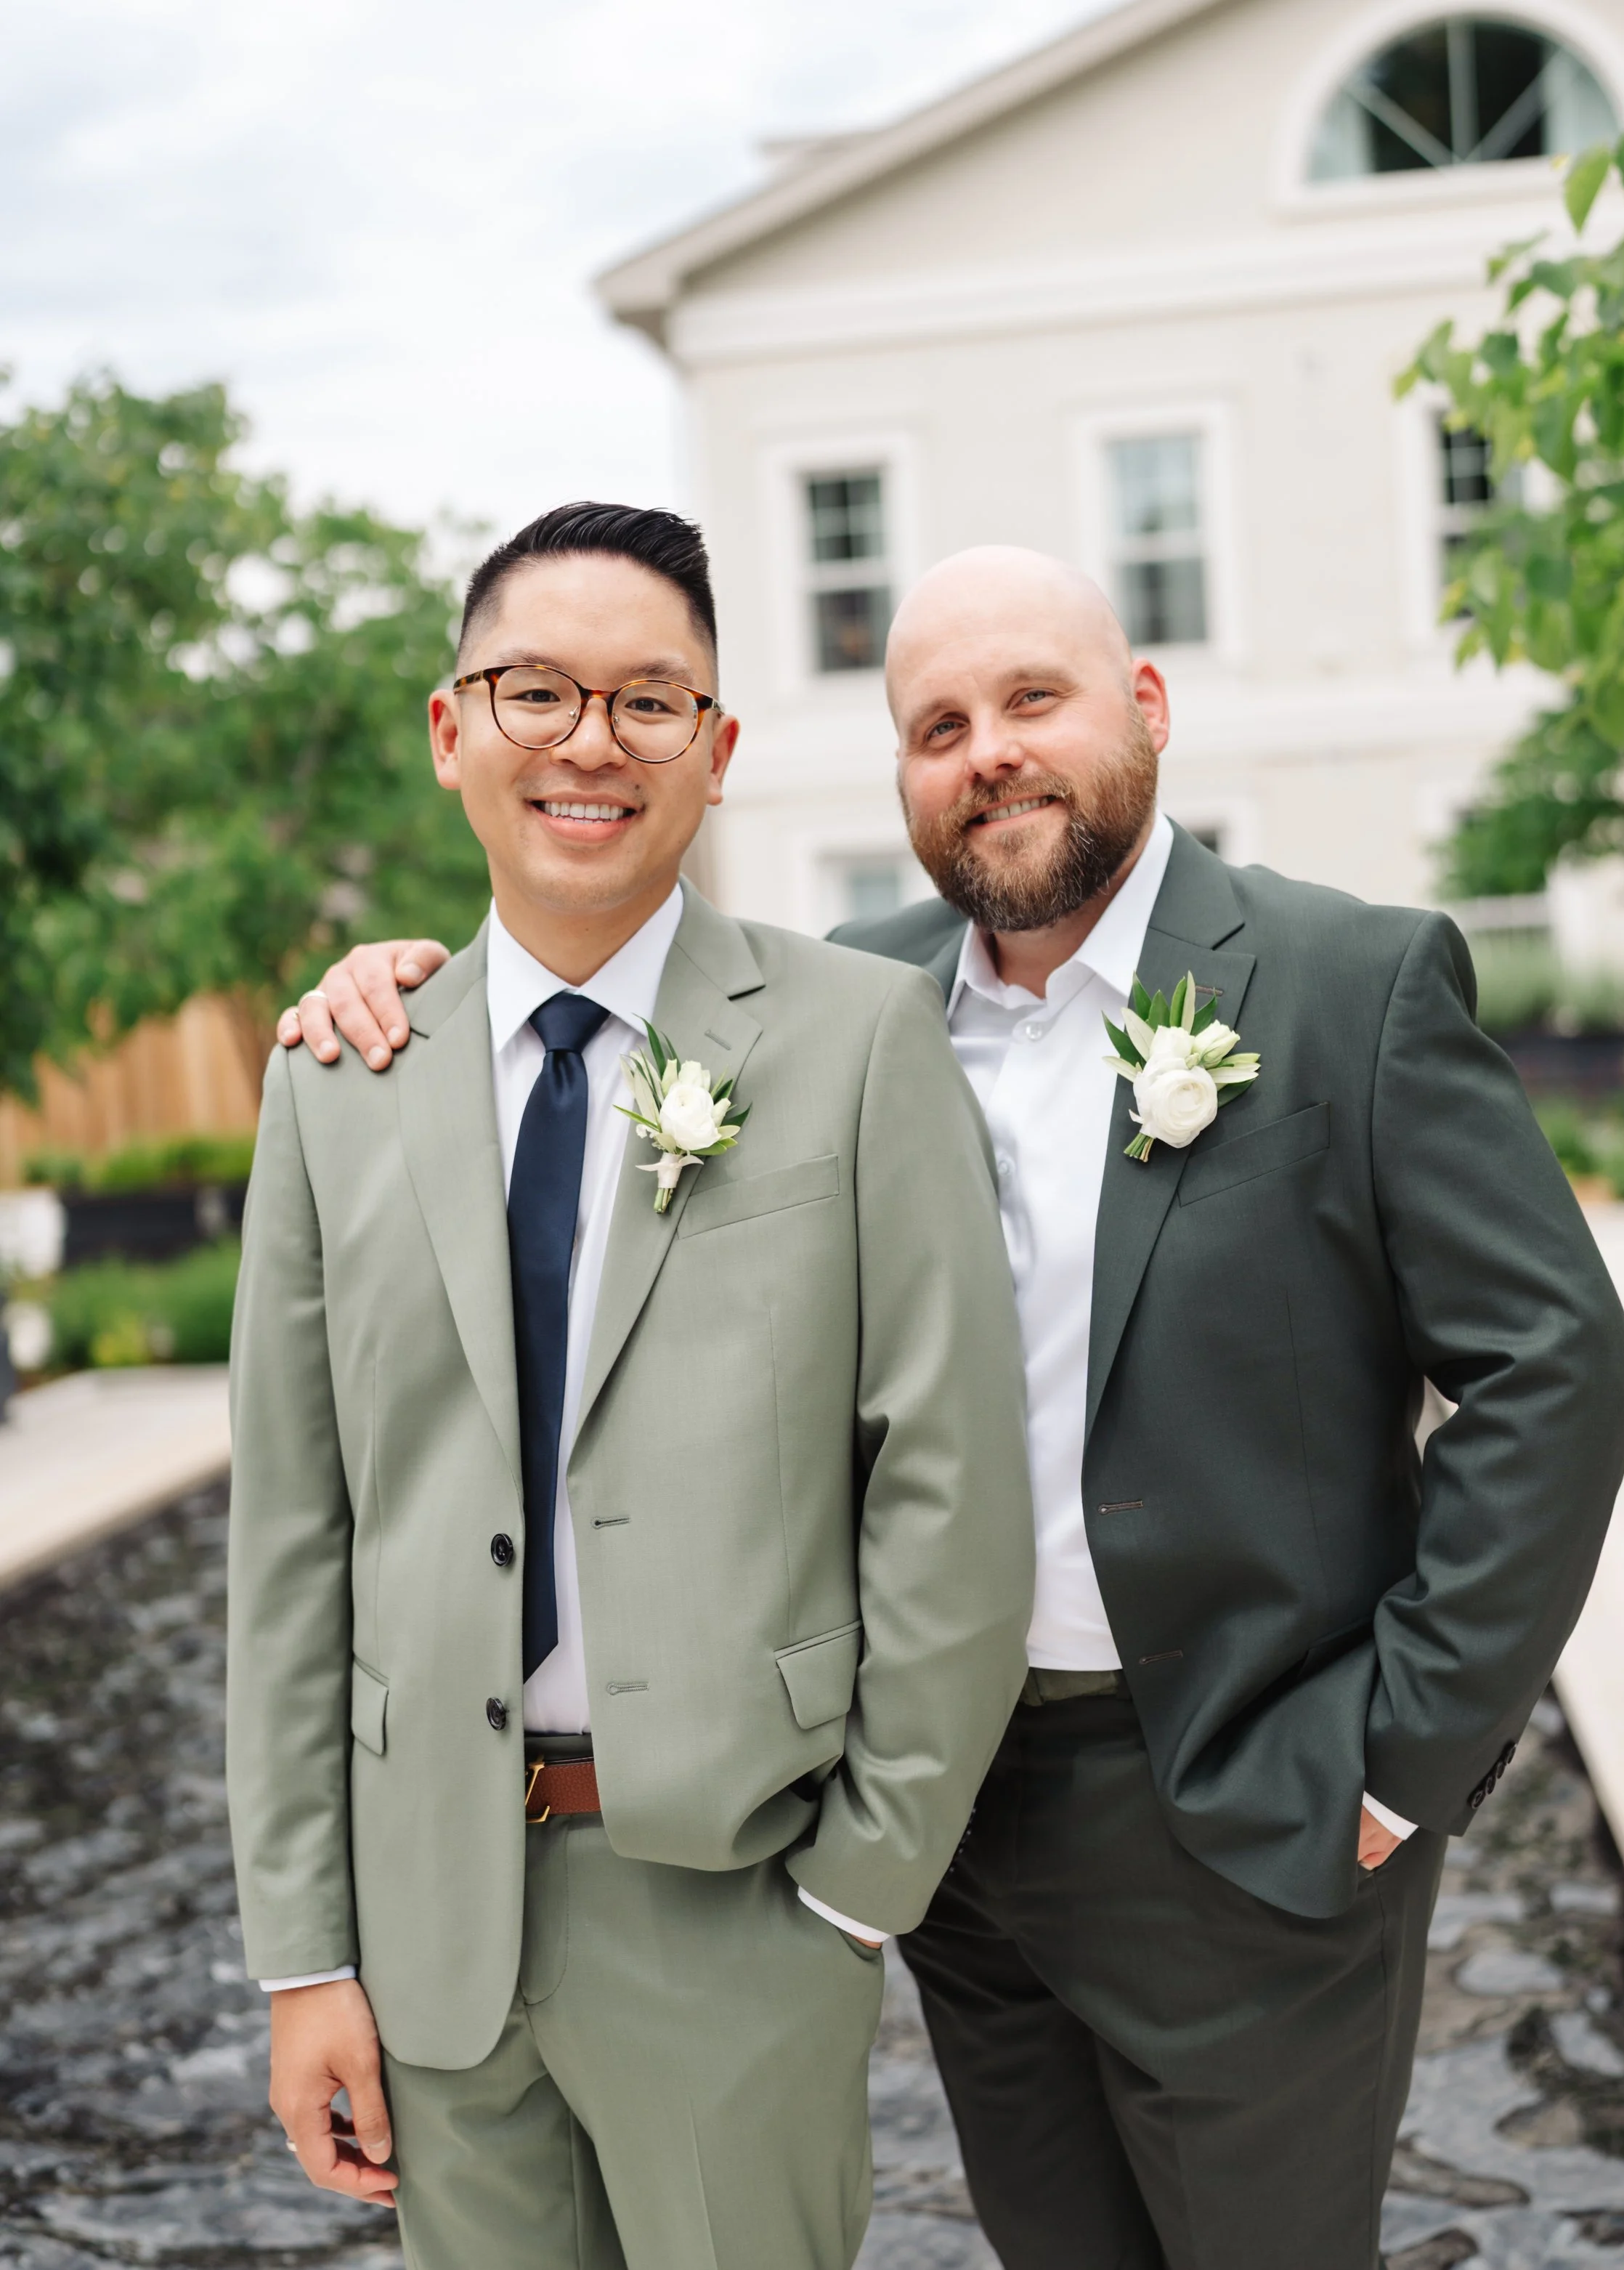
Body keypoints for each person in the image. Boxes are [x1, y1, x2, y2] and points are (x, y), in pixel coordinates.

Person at [282, 544, 1624, 2270]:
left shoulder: (1342, 980)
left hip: (1245, 1789)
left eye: (1029, 699)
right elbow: (583, 1009)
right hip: (947, 1820)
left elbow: (1554, 1366)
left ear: (1139, 708)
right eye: (936, 723)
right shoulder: (842, 1002)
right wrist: (397, 985)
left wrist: (1402, 1746)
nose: (985, 749)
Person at [230, 503, 1034, 2270]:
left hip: (739, 1902)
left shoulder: (856, 1043)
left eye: (648, 702)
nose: (589, 741)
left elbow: (950, 1496)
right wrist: (304, 1954)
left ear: (718, 750)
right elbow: (297, 1537)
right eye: (535, 691)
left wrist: (852, 1889)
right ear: (451, 730)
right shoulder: (340, 1077)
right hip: (427, 1915)